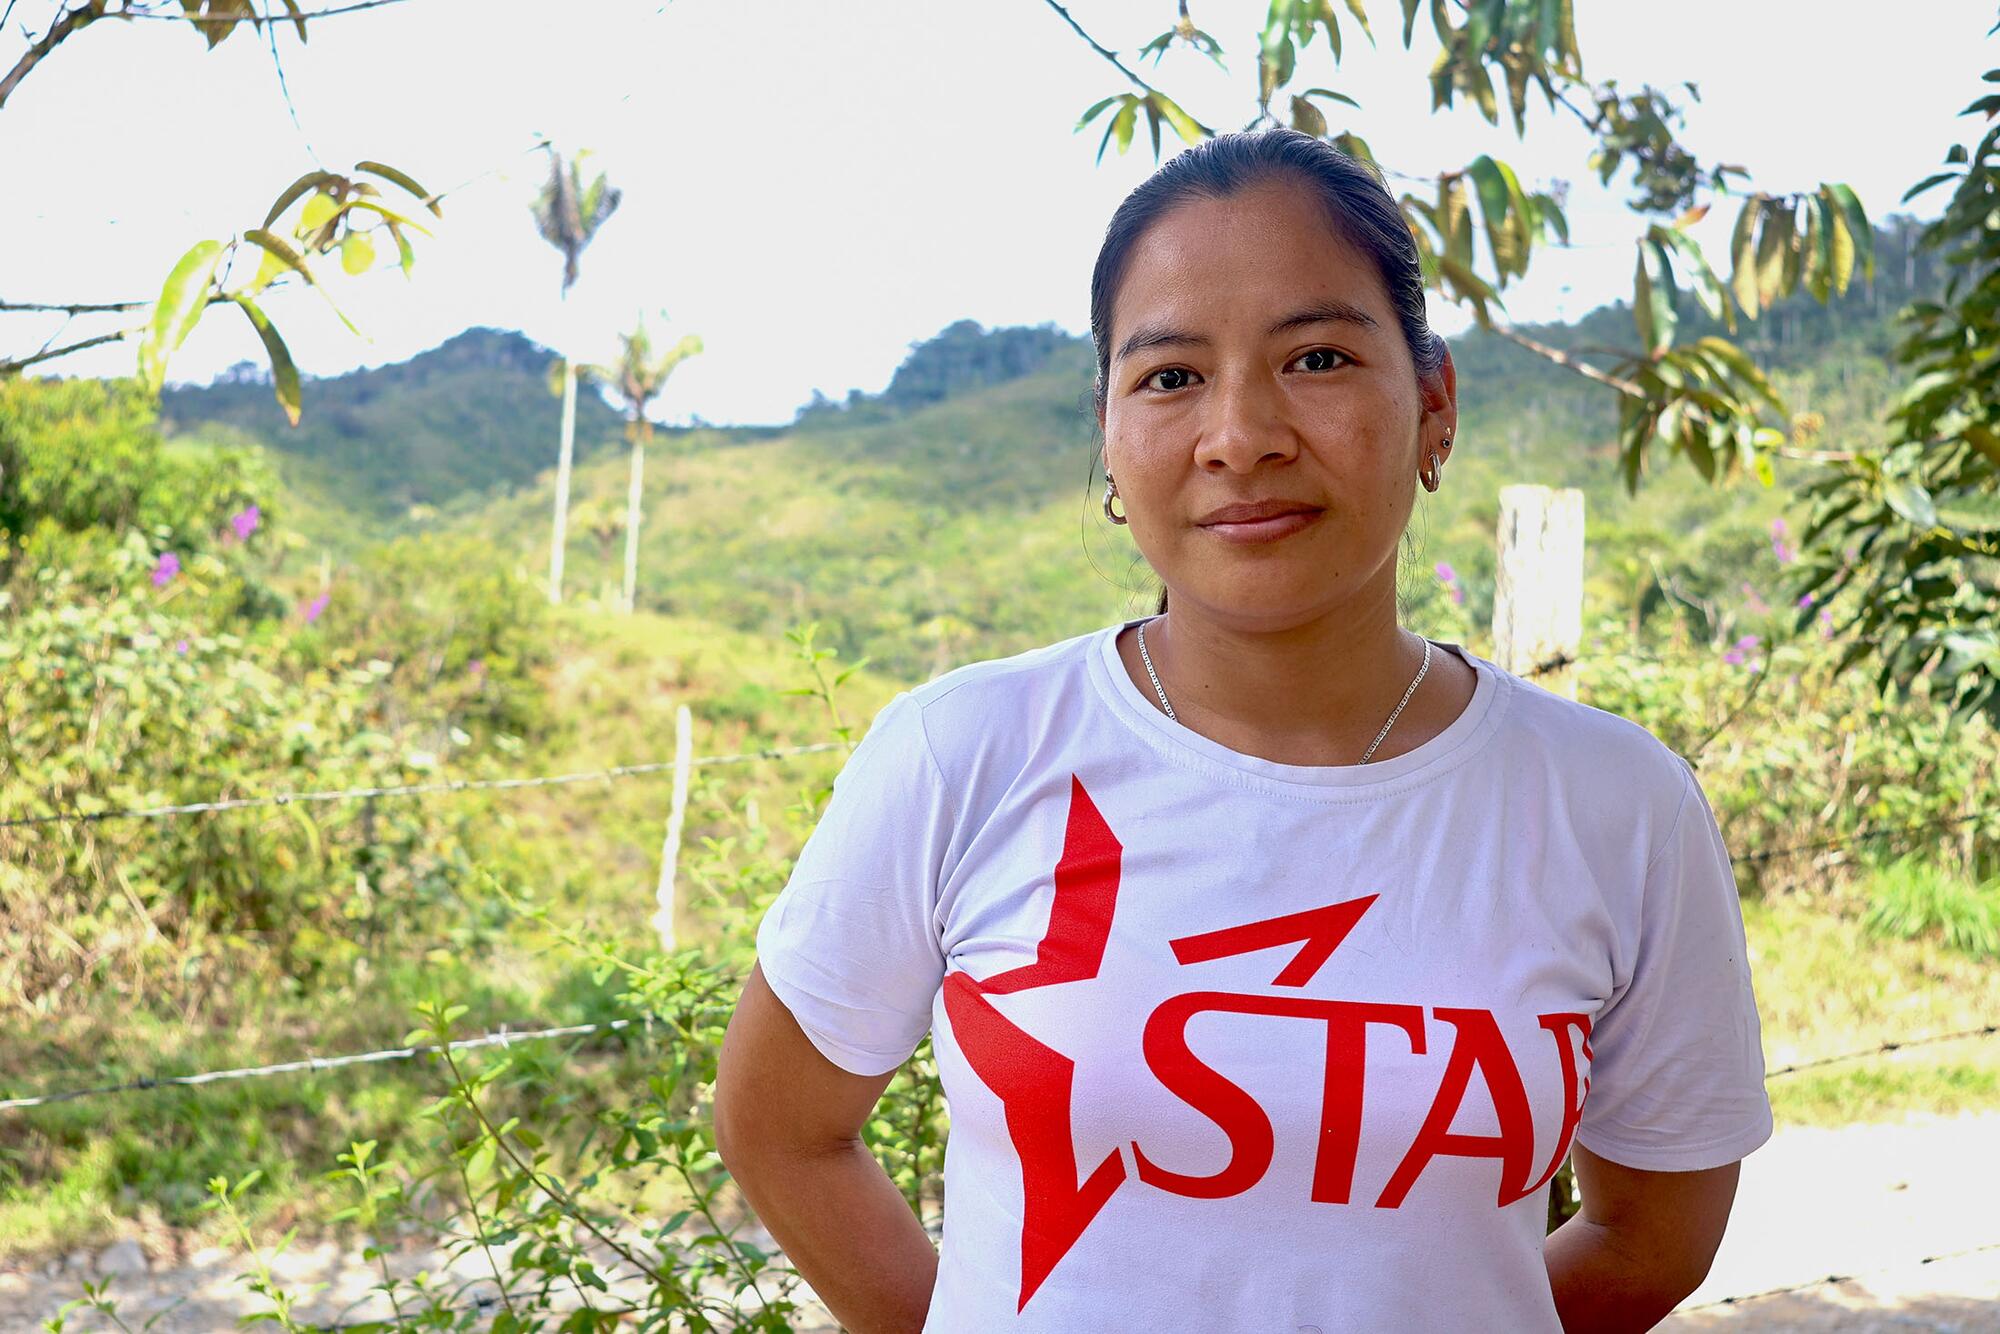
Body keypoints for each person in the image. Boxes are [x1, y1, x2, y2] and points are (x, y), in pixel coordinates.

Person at [713, 128, 1772, 1334]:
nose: (1239, 434)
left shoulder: (1613, 804)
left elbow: (1656, 1233)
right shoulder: (963, 753)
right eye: (1169, 376)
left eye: (1314, 356)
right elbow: (780, 1128)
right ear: (1109, 441)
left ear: (1432, 403)